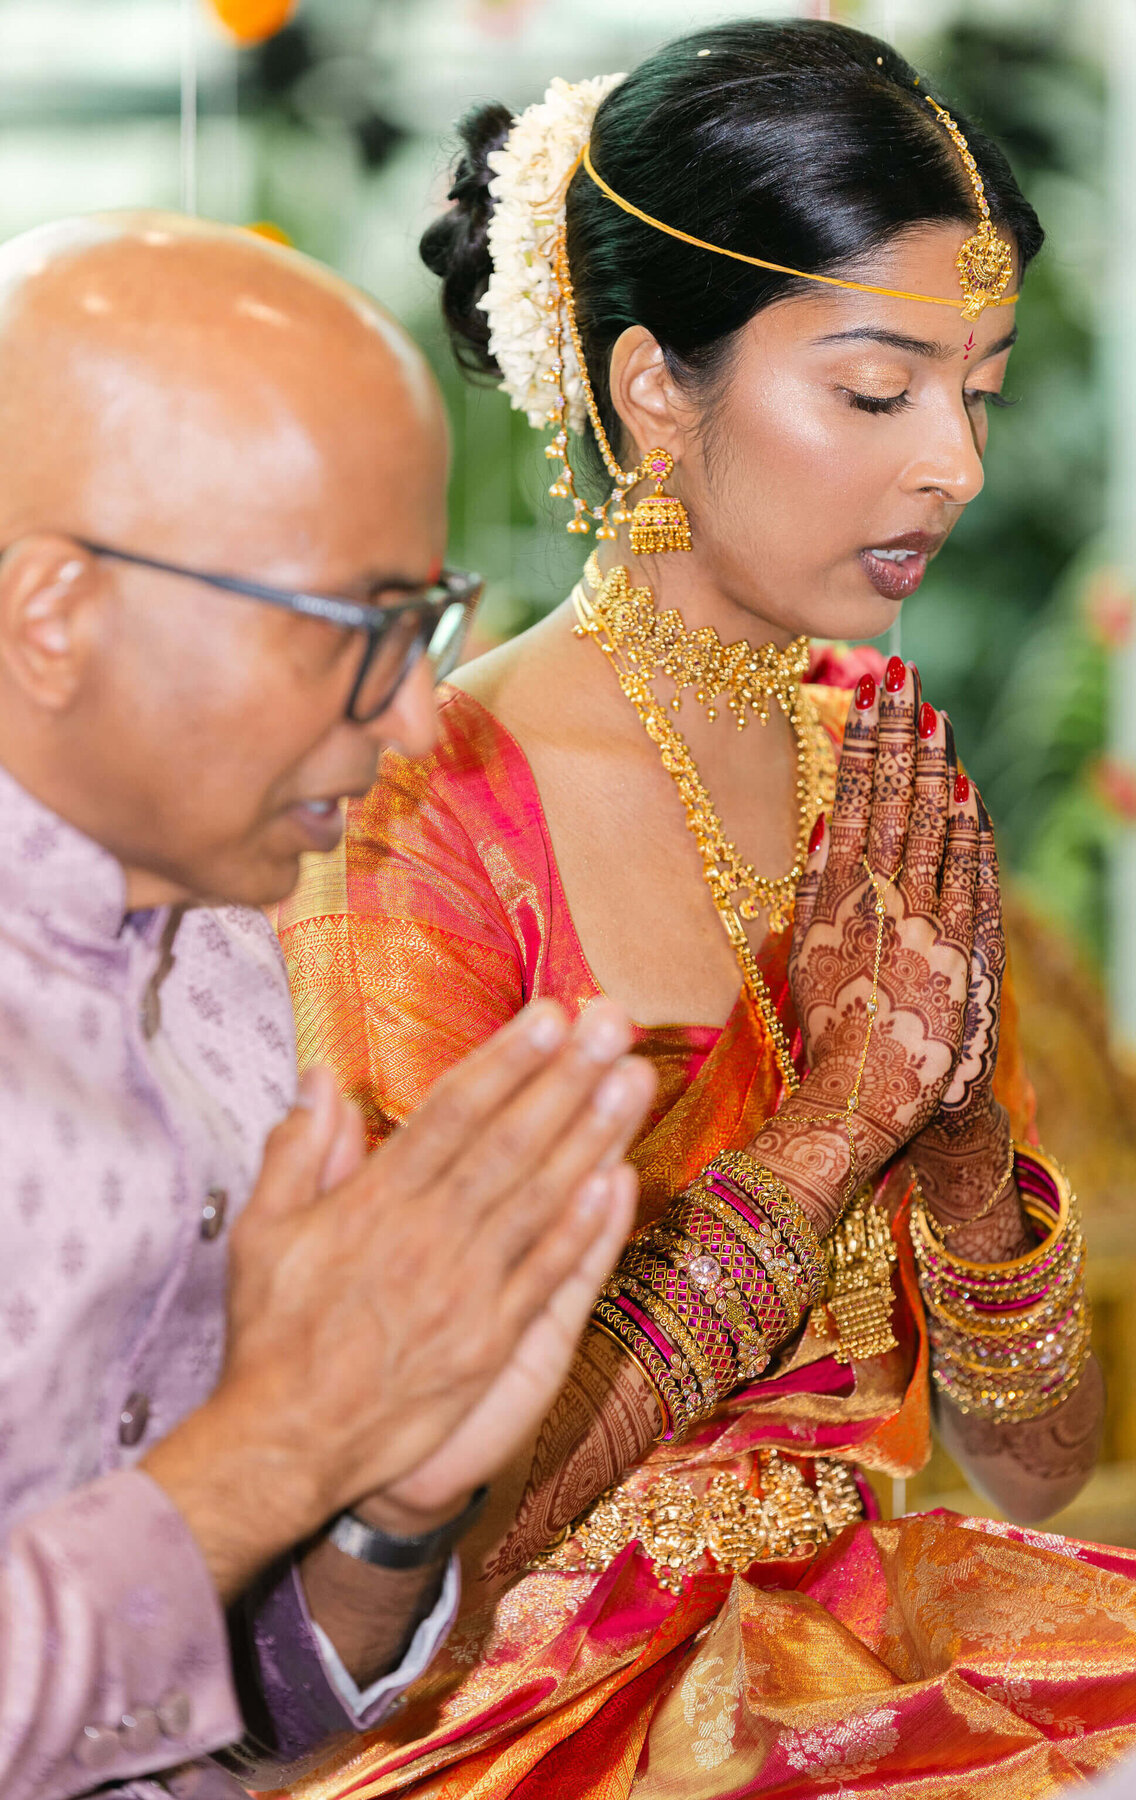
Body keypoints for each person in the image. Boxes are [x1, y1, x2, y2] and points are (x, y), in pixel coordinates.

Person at [276, 21, 1136, 1799]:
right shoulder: (426, 814)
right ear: (653, 389)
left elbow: (1039, 1465)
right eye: (878, 392)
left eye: (982, 393)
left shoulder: (886, 772)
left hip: (873, 1625)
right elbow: (404, 1555)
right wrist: (836, 1122)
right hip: (533, 1703)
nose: (958, 466)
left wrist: (957, 1158)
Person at [0, 212, 660, 1800]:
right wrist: (280, 1441)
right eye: (354, 628)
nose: (420, 712)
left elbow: (210, 1711)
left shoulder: (223, 960)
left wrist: (390, 1507)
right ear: (53, 615)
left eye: (423, 623)